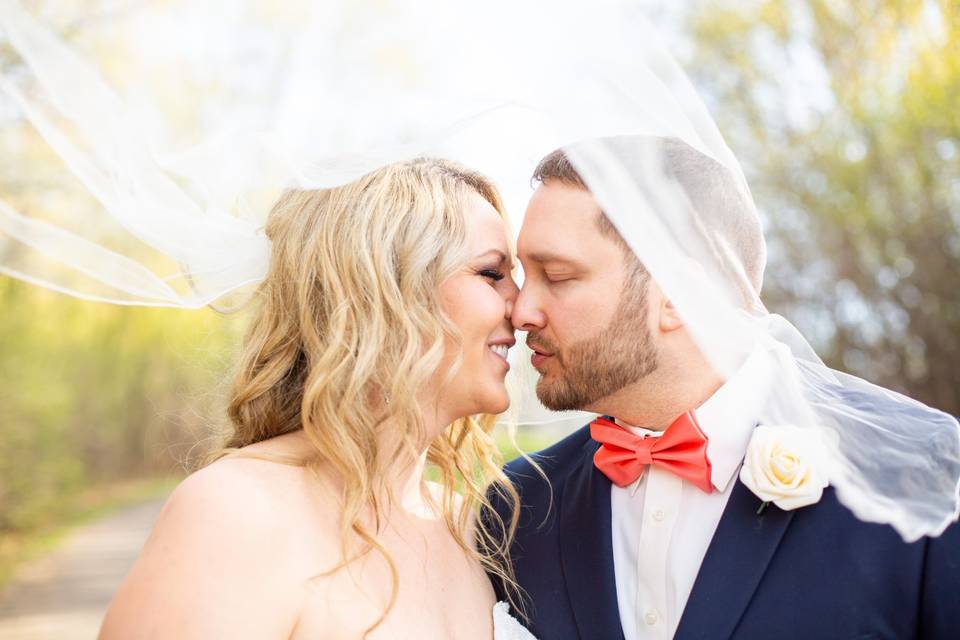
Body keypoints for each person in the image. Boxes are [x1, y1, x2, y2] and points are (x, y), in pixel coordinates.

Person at [484, 137, 960, 640]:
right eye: (521, 275)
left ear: (679, 296)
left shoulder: (923, 469)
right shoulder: (517, 507)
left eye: (556, 276)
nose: (520, 311)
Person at [99, 158, 536, 639]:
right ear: (385, 291)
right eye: (493, 273)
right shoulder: (236, 512)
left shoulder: (468, 525)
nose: (525, 306)